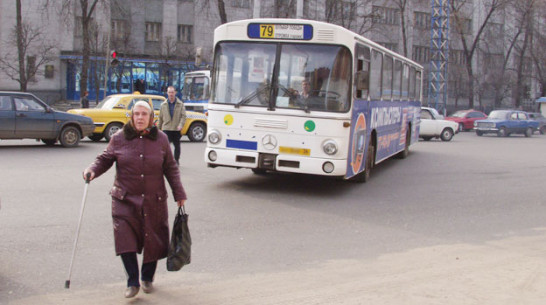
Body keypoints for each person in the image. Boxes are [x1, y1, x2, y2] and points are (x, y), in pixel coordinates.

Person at [82, 101, 187, 298]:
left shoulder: (162, 139)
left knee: (153, 239)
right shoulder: (119, 138)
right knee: (125, 240)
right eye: (136, 114)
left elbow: (171, 168)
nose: (139, 118)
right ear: (131, 116)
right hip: (124, 199)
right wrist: (92, 170)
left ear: (151, 118)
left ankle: (147, 277)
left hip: (153, 200)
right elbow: (104, 159)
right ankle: (132, 281)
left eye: (143, 114)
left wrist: (179, 194)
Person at [158, 86, 187, 165]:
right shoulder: (163, 105)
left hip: (176, 129)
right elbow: (160, 118)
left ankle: (176, 160)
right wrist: (158, 129)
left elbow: (183, 116)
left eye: (172, 92)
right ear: (167, 93)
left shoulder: (180, 104)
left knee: (177, 146)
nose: (171, 94)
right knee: (165, 146)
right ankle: (165, 161)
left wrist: (180, 125)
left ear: (175, 93)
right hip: (166, 128)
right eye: (169, 92)